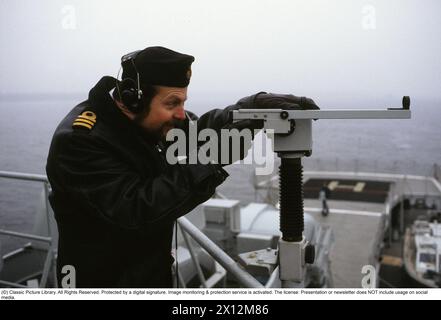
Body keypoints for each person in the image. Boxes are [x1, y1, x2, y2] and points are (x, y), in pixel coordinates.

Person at [46, 46, 320, 288]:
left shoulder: (145, 121)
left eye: (183, 102)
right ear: (132, 99)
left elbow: (195, 130)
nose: (180, 113)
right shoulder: (80, 141)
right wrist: (212, 159)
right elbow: (134, 211)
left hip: (153, 277)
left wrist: (249, 107)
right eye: (172, 103)